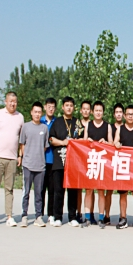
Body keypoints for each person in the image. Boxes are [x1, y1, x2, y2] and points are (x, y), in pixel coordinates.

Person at [0, 91, 24, 227]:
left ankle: (9, 216)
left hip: (12, 158)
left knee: (9, 188)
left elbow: (22, 139)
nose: (13, 104)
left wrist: (20, 155)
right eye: (10, 101)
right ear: (6, 101)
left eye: (15, 102)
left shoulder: (20, 117)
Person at [49, 96, 81, 227]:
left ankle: (72, 217)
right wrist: (63, 142)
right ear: (62, 107)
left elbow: (82, 139)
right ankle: (57, 217)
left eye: (71, 105)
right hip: (59, 161)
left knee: (72, 191)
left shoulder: (77, 122)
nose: (69, 108)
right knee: (58, 190)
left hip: (73, 162)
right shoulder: (57, 122)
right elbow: (51, 139)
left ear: (74, 108)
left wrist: (75, 142)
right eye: (66, 105)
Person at [81, 101, 113, 229]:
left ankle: (101, 217)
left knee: (101, 191)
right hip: (90, 161)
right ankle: (87, 217)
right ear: (92, 112)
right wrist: (87, 141)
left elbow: (112, 143)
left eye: (100, 110)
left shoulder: (107, 126)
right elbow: (83, 142)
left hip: (102, 162)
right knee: (88, 190)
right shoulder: (88, 125)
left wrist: (106, 142)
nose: (98, 113)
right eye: (96, 110)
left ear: (103, 112)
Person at [19, 102, 50, 227]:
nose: (37, 114)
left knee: (39, 193)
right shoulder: (26, 127)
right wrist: (26, 157)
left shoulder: (44, 128)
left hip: (40, 166)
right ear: (31, 112)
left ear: (41, 113)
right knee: (26, 192)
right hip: (28, 165)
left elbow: (45, 146)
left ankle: (38, 216)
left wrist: (38, 155)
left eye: (39, 112)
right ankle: (24, 215)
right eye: (35, 112)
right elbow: (22, 144)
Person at [114, 104, 133, 230]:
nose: (130, 116)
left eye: (132, 114)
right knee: (123, 193)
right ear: (124, 116)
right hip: (123, 165)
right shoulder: (120, 129)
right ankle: (123, 218)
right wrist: (116, 144)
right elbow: (115, 142)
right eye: (128, 114)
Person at [77, 100, 94, 224]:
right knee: (79, 188)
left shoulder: (93, 124)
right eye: (84, 109)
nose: (86, 111)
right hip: (80, 159)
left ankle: (91, 213)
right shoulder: (76, 124)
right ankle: (78, 213)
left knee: (91, 189)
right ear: (81, 110)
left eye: (88, 109)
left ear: (91, 111)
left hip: (92, 159)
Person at [41, 97, 56, 224]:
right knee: (41, 189)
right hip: (40, 160)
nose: (51, 109)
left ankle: (51, 214)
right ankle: (39, 214)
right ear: (45, 107)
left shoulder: (58, 122)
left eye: (53, 107)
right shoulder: (39, 120)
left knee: (52, 189)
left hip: (53, 160)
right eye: (49, 106)